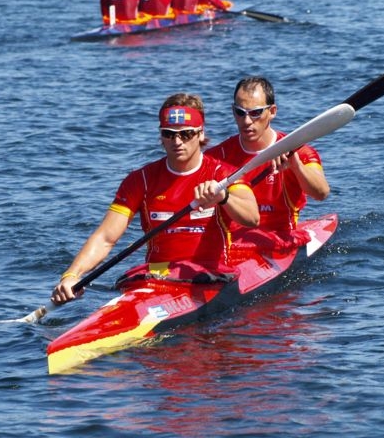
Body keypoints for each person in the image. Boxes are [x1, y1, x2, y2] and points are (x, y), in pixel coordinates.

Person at [51, 93, 260, 305]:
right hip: (157, 276)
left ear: (200, 133)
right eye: (169, 134)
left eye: (186, 134)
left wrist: (223, 197)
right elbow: (106, 237)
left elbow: (252, 218)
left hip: (209, 275)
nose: (177, 142)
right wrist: (71, 276)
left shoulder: (223, 174)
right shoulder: (140, 180)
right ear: (161, 136)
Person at [209, 76, 330, 242]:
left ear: (272, 111)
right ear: (233, 111)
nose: (246, 121)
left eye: (255, 113)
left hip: (280, 238)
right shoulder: (216, 156)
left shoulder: (299, 151)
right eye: (240, 113)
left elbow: (322, 193)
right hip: (232, 242)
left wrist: (296, 166)